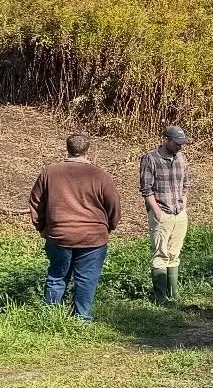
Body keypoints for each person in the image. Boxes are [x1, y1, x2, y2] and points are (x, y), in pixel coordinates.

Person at [27, 132, 121, 322]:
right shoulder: (100, 175)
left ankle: (51, 318)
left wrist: (43, 228)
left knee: (56, 276)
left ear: (67, 148)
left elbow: (36, 202)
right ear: (88, 151)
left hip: (59, 234)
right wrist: (109, 226)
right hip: (93, 236)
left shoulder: (50, 172)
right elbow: (114, 205)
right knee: (86, 279)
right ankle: (82, 319)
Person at [140, 125, 191, 304]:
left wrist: (183, 206)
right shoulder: (150, 158)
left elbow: (186, 184)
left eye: (182, 144)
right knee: (160, 255)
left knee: (174, 254)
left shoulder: (181, 158)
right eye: (177, 143)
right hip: (162, 213)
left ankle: (173, 295)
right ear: (166, 140)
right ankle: (160, 298)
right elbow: (146, 190)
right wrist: (157, 213)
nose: (180, 147)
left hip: (179, 214)